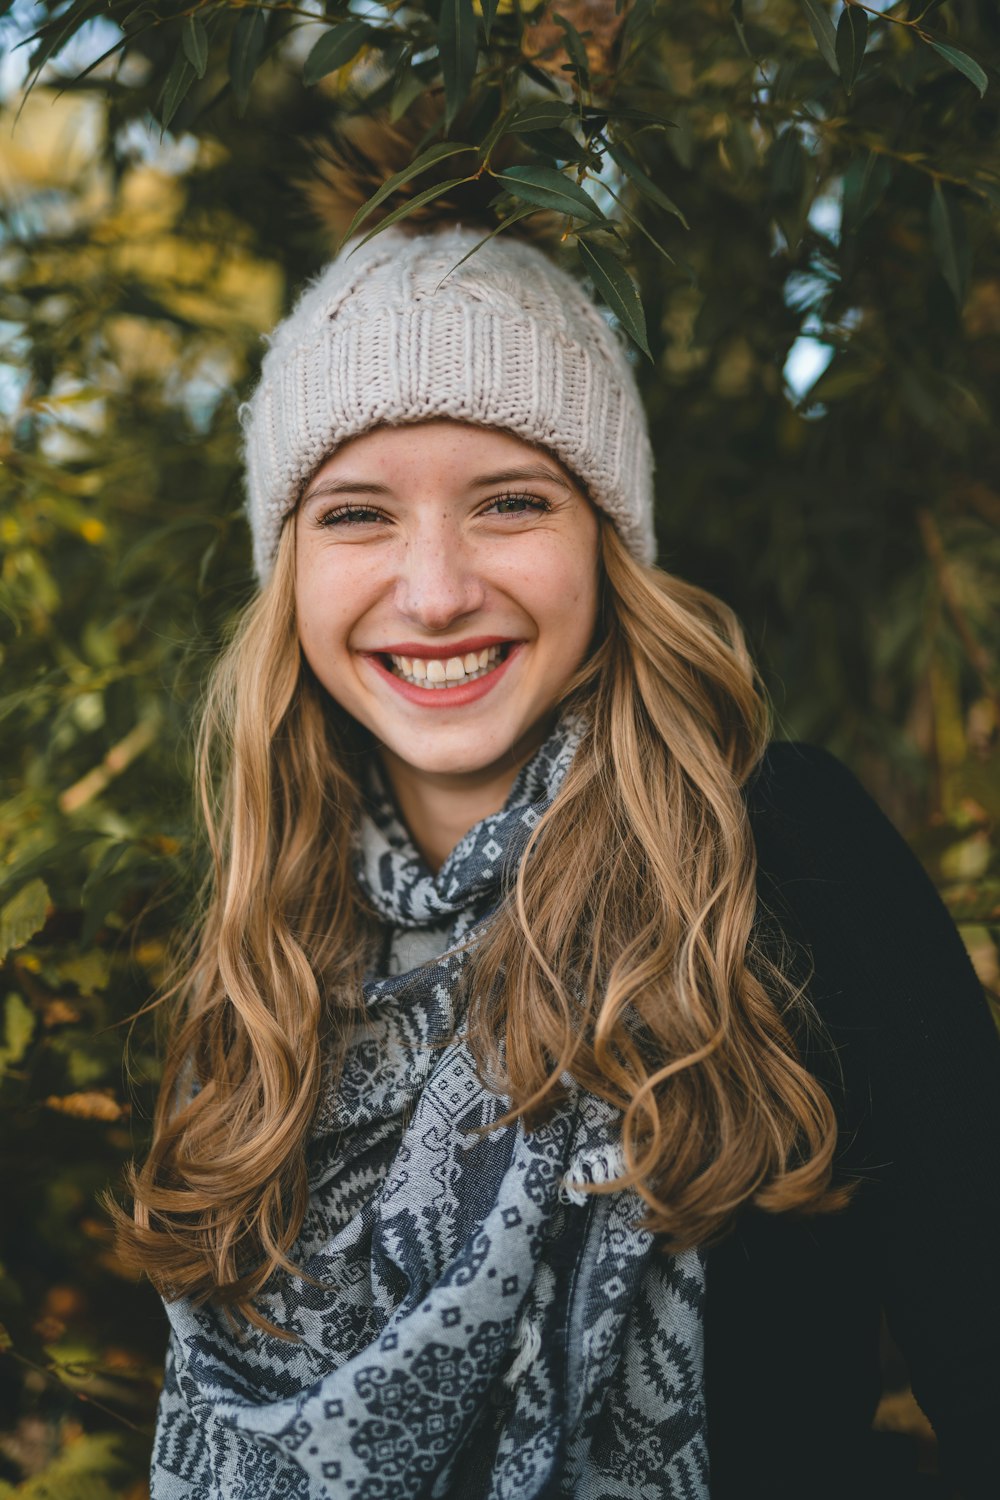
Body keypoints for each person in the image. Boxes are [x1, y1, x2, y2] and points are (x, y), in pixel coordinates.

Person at [114, 207, 1000, 1500]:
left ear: (607, 543)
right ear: (287, 569)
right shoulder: (267, 957)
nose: (433, 591)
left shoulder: (786, 863)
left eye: (511, 503)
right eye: (358, 513)